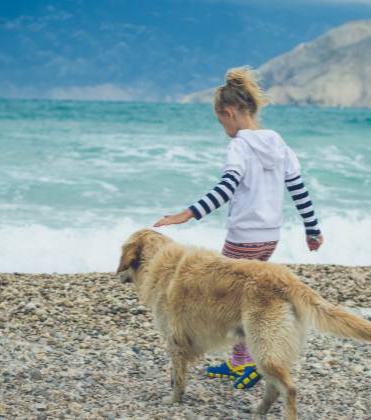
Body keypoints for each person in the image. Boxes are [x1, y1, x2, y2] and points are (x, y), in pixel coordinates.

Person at [153, 66, 324, 390]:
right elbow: (299, 190)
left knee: (236, 303)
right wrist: (312, 230)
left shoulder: (240, 147)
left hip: (243, 238)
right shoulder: (278, 143)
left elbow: (225, 188)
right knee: (248, 298)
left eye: (221, 122)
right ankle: (240, 362)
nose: (224, 129)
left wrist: (186, 214)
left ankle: (255, 362)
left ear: (230, 113)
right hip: (269, 237)